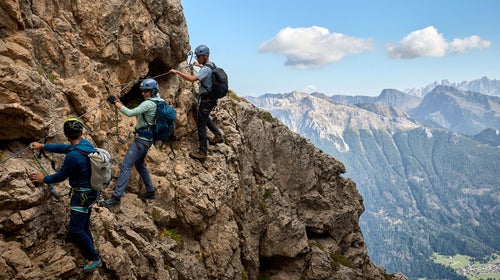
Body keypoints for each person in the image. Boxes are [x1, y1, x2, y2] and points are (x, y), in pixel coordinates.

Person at [29, 118, 102, 273]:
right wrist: (43, 146)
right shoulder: (86, 145)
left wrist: (44, 179)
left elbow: (61, 176)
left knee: (76, 230)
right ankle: (88, 247)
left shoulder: (73, 156)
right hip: (92, 193)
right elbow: (65, 148)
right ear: (81, 132)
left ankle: (94, 257)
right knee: (83, 224)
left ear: (66, 134)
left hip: (81, 195)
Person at [100, 78, 161, 207]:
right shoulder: (160, 101)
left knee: (126, 166)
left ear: (153, 91)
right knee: (140, 165)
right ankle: (151, 191)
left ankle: (116, 198)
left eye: (146, 91)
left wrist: (115, 102)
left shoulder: (148, 104)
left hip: (141, 141)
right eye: (142, 91)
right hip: (148, 139)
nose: (143, 93)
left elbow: (129, 113)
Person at [170, 44, 224, 161]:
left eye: (199, 57)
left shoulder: (205, 69)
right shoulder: (211, 65)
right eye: (197, 57)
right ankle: (218, 135)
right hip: (211, 99)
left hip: (206, 100)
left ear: (205, 56)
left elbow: (192, 79)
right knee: (204, 117)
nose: (197, 59)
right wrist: (198, 65)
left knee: (201, 124)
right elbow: (206, 70)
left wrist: (177, 72)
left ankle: (202, 152)